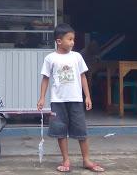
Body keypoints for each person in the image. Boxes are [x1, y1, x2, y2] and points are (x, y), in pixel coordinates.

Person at [37, 23, 105, 173]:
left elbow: (83, 77)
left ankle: (86, 159)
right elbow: (45, 78)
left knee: (81, 130)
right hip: (58, 101)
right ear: (59, 41)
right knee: (60, 131)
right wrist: (42, 98)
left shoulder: (77, 57)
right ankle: (66, 159)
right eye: (70, 39)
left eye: (73, 39)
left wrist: (87, 96)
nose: (73, 42)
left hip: (76, 100)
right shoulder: (50, 58)